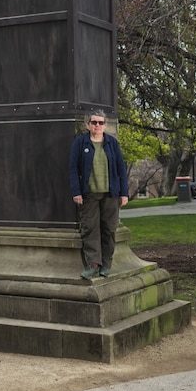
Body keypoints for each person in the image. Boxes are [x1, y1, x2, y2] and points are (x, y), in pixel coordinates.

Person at [69, 110, 129, 280]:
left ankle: (106, 264)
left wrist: (124, 193)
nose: (97, 126)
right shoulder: (80, 143)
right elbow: (73, 169)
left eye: (101, 123)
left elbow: (121, 169)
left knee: (109, 230)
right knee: (90, 229)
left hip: (111, 194)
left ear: (105, 125)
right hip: (89, 195)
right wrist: (76, 192)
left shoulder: (112, 143)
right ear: (88, 124)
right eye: (94, 122)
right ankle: (93, 264)